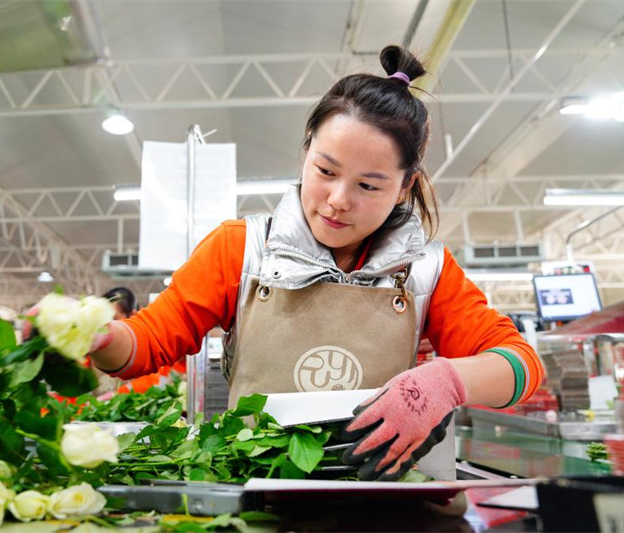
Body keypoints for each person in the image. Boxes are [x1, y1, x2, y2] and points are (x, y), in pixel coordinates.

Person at [44, 46, 544, 481]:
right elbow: (146, 348)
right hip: (252, 488)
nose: (338, 199)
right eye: (324, 171)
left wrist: (447, 382)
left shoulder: (428, 272)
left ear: (405, 185)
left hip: (382, 494)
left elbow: (523, 366)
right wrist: (100, 337)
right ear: (305, 151)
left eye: (369, 186)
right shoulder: (239, 250)